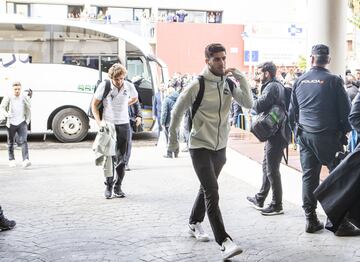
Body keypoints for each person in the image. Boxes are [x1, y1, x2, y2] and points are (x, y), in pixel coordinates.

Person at [167, 43, 253, 260]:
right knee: (212, 191)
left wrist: (241, 77)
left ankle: (194, 222)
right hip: (199, 146)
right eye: (216, 59)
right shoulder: (197, 84)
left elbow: (248, 102)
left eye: (223, 58)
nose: (222, 62)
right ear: (207, 61)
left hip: (220, 148)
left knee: (207, 187)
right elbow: (176, 112)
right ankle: (224, 241)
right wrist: (173, 143)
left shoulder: (229, 83)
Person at [289, 44, 358, 236]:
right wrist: (344, 133)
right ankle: (339, 221)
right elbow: (346, 112)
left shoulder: (299, 81)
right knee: (338, 178)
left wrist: (297, 133)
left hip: (305, 136)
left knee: (309, 177)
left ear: (311, 59)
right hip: (328, 136)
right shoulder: (334, 80)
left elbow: (292, 113)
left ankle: (311, 219)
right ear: (328, 60)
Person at [246, 62, 289, 216]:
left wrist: (251, 97)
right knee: (267, 165)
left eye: (259, 73)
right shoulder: (275, 85)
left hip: (277, 134)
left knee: (272, 169)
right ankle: (260, 198)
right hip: (276, 132)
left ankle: (277, 205)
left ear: (267, 73)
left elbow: (258, 106)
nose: (257, 76)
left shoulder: (272, 87)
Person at [91, 63, 138, 199]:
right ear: (111, 77)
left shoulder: (129, 86)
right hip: (109, 125)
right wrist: (100, 123)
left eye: (122, 78)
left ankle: (118, 186)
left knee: (123, 159)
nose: (119, 81)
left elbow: (134, 98)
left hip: (124, 125)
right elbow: (94, 105)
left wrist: (124, 104)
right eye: (117, 79)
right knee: (109, 157)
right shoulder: (104, 86)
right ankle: (109, 185)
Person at [0, 81, 31, 168]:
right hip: (11, 123)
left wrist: (27, 120)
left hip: (22, 122)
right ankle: (11, 159)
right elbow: (2, 107)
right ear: (12, 89)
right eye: (15, 89)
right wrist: (6, 114)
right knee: (10, 142)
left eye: (19, 89)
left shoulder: (23, 97)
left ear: (20, 89)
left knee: (24, 141)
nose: (17, 91)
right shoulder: (8, 97)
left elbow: (29, 108)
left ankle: (25, 160)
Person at [124, 100, 142, 171]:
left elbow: (136, 103)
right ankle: (115, 161)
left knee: (128, 142)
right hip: (114, 119)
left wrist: (139, 116)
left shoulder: (130, 89)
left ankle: (125, 163)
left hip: (128, 120)